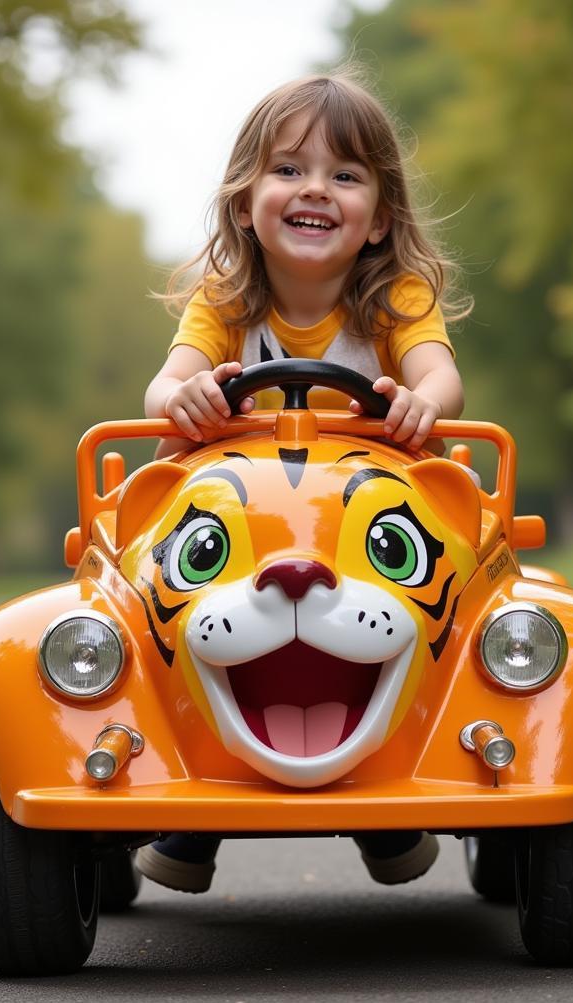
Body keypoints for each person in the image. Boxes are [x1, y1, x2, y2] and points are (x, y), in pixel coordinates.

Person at [138, 67, 471, 894]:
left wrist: (420, 406)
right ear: (246, 202)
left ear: (379, 217)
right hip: (250, 527)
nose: (315, 189)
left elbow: (440, 380)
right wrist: (186, 396)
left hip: (359, 530)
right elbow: (163, 386)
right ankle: (188, 798)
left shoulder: (393, 298)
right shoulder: (224, 301)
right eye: (289, 170)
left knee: (407, 602)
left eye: (344, 175)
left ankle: (385, 788)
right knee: (176, 590)